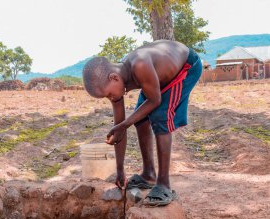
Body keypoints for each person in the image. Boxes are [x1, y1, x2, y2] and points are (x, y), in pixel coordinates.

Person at [82, 40, 202, 206]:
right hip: (157, 77)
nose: (110, 98)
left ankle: (164, 184)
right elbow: (120, 128)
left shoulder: (140, 65)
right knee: (140, 120)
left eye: (108, 94)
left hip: (186, 67)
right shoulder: (118, 83)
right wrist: (120, 170)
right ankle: (149, 174)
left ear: (114, 77)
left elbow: (155, 100)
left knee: (161, 117)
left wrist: (124, 125)